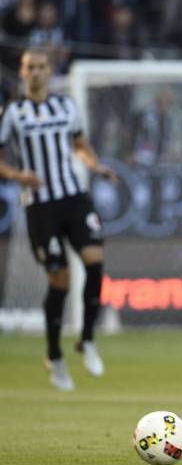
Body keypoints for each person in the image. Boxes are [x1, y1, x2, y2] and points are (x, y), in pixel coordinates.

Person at [0, 48, 117, 391]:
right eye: (29, 68)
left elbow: (79, 144)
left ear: (50, 71)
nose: (35, 72)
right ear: (22, 73)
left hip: (74, 197)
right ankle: (54, 355)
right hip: (40, 205)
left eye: (40, 67)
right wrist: (18, 175)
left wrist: (94, 165)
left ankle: (87, 339)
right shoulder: (13, 113)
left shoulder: (66, 106)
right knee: (60, 281)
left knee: (95, 263)